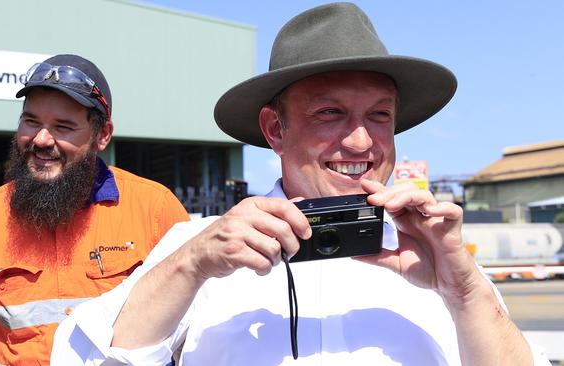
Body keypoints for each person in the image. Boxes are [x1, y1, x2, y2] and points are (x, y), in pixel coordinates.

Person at [51, 4, 551, 365]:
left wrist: (462, 290)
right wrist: (191, 265)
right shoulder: (200, 248)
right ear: (274, 129)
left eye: (380, 116)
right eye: (329, 112)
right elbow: (84, 359)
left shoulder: (441, 259)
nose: (361, 141)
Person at [0, 54, 190, 366]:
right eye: (31, 121)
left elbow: (192, 330)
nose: (41, 139)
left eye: (63, 126)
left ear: (102, 135)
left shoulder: (156, 211)